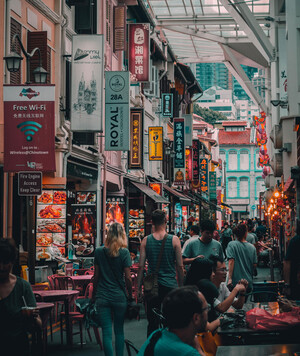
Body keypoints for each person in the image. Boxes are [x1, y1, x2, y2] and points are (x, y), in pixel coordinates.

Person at [137, 209, 184, 336]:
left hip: (152, 287)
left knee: (152, 322)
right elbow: (180, 266)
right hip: (170, 285)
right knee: (172, 321)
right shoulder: (174, 240)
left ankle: (151, 349)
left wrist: (138, 289)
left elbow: (141, 267)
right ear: (166, 221)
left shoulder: (146, 240)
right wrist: (182, 287)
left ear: (152, 222)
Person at [93, 222, 133, 356]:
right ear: (122, 235)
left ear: (108, 235)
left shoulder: (99, 252)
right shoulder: (125, 252)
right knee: (119, 331)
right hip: (119, 296)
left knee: (106, 332)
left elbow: (96, 277)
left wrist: (93, 296)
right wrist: (130, 294)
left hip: (102, 296)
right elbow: (128, 277)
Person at [0, 238, 41, 356]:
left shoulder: (22, 287)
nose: (1, 267)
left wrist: (31, 316)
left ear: (12, 262)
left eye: (5, 262)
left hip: (18, 347)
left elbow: (38, 323)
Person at [137, 286, 208, 356]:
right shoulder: (188, 353)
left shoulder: (157, 334)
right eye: (207, 308)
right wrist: (198, 349)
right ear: (196, 318)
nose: (208, 312)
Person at [226, 223, 257, 292]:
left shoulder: (231, 244)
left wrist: (230, 278)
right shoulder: (252, 247)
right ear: (246, 233)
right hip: (248, 281)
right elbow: (254, 264)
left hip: (235, 282)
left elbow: (231, 261)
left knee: (235, 301)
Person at [283, 233, 300, 300]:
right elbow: (287, 263)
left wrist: (287, 285)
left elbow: (287, 263)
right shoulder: (296, 241)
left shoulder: (295, 240)